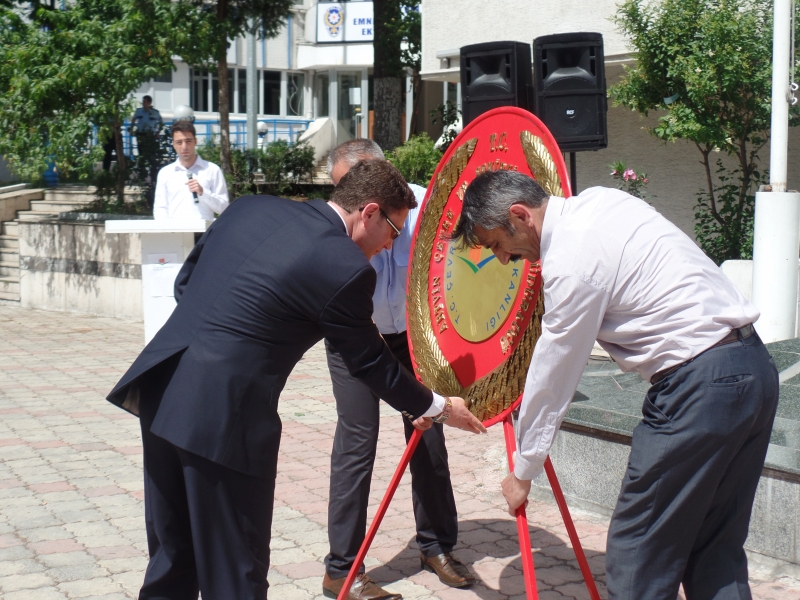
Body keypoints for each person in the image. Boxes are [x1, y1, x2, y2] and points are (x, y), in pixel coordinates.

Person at [106, 159, 486, 600]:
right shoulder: (345, 267)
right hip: (225, 418)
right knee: (235, 572)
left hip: (161, 388)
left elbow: (186, 282)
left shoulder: (250, 207)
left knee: (172, 558)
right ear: (369, 212)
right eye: (394, 232)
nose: (388, 247)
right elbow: (369, 363)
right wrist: (439, 408)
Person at [450, 171, 778, 600]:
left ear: (519, 215)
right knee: (716, 549)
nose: (504, 259)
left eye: (497, 244)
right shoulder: (603, 201)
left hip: (698, 387)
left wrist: (523, 468)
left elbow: (555, 373)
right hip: (753, 369)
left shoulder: (571, 261)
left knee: (638, 552)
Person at [322, 140, 475, 600]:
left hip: (414, 338)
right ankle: (342, 570)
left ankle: (436, 547)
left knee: (429, 435)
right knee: (356, 443)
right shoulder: (341, 219)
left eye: (351, 183)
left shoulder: (428, 208)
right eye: (339, 188)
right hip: (354, 338)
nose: (345, 198)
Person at [153, 121, 229, 221]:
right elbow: (160, 208)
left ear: (195, 141)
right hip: (176, 233)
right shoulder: (165, 173)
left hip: (204, 233)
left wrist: (203, 192)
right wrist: (167, 231)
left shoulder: (212, 170)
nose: (184, 147)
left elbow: (224, 208)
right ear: (173, 144)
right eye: (179, 142)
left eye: (188, 141)